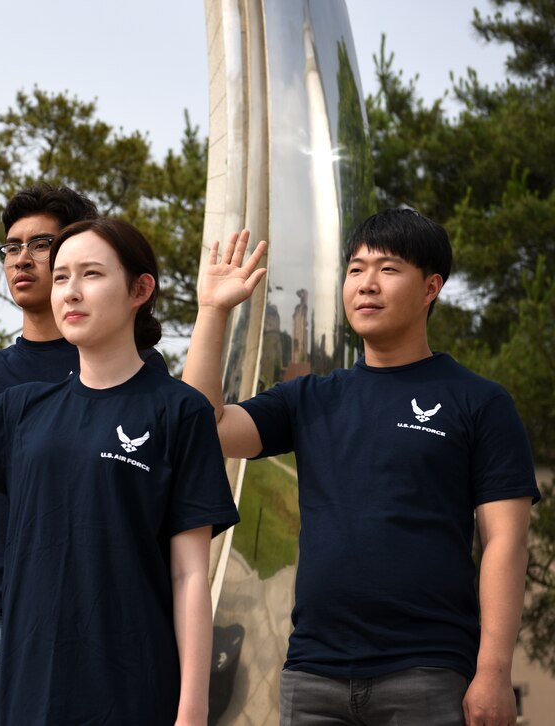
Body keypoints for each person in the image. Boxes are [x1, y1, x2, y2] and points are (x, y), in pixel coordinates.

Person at [0, 218, 239, 724]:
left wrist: (191, 710)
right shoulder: (21, 409)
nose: (71, 291)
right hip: (29, 690)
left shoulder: (179, 411)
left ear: (140, 289)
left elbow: (190, 573)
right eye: (62, 276)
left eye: (90, 274)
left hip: (135, 687)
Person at [183, 210, 539, 726]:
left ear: (430, 288)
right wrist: (212, 312)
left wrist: (493, 670)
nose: (366, 284)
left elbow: (505, 542)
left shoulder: (478, 402)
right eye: (355, 269)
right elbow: (205, 428)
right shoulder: (311, 398)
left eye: (388, 269)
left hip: (428, 673)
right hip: (312, 675)